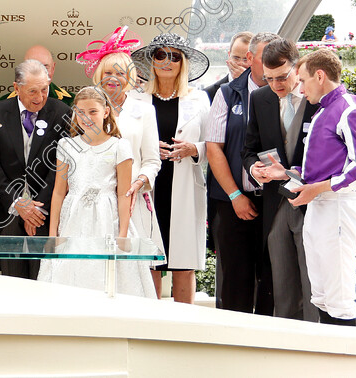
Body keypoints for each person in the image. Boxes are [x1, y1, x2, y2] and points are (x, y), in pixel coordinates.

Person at [263, 49, 356, 326]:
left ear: (320, 75)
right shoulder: (325, 110)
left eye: (302, 81)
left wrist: (318, 189)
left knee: (338, 298)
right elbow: (323, 168)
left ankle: (346, 368)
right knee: (322, 296)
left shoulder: (351, 108)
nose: (300, 89)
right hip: (320, 207)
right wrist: (287, 173)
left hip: (338, 207)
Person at [37, 86, 156, 297]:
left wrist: (122, 235)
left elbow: (123, 194)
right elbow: (58, 192)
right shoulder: (66, 145)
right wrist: (53, 234)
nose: (86, 117)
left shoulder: (119, 146)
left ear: (106, 112)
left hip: (107, 219)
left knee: (109, 276)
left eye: (93, 111)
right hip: (73, 220)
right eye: (81, 112)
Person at [131, 32, 211, 303]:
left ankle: (183, 329)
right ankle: (151, 326)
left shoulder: (199, 100)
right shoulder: (136, 100)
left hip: (185, 182)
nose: (167, 61)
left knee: (183, 261)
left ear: (183, 63)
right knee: (149, 260)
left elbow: (214, 144)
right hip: (149, 184)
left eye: (175, 56)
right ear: (151, 61)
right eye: (160, 55)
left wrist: (194, 149)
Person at [243, 39, 318, 322]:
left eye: (283, 77)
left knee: (313, 283)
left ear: (297, 68)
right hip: (275, 204)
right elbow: (249, 149)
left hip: (311, 201)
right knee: (282, 285)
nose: (276, 85)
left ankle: (317, 342)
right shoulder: (259, 98)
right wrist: (254, 170)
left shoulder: (317, 99)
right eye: (269, 78)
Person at [204, 32, 278, 314]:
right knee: (235, 281)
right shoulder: (227, 93)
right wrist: (235, 195)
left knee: (272, 278)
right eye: (265, 58)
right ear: (250, 59)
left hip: (273, 202)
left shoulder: (286, 93)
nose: (272, 65)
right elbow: (214, 148)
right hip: (232, 202)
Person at [76, 27, 162, 269]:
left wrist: (139, 182)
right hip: (94, 202)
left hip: (131, 200)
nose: (113, 78)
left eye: (120, 73)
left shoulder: (145, 110)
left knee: (131, 266)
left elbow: (152, 160)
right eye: (108, 72)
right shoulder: (86, 109)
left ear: (130, 76)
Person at [0, 59, 70, 279]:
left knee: (42, 282)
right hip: (7, 212)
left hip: (45, 213)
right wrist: (18, 203)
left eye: (44, 89)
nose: (39, 98)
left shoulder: (61, 112)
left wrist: (36, 211)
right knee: (11, 282)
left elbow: (60, 167)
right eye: (32, 91)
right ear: (16, 88)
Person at [0, 45, 73, 105]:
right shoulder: (2, 103)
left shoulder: (71, 102)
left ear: (53, 68)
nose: (40, 74)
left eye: (45, 68)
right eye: (33, 68)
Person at [204, 31, 253, 102]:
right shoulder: (210, 93)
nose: (240, 63)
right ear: (229, 56)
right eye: (236, 58)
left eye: (246, 59)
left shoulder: (267, 89)